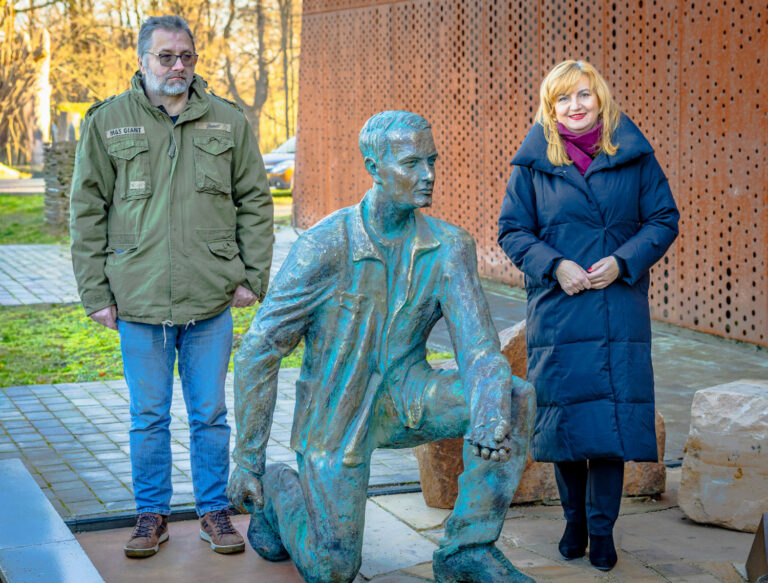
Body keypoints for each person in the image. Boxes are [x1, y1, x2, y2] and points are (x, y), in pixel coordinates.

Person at [227, 111, 536, 583]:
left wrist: (489, 410)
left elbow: (477, 349)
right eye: (411, 163)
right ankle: (278, 490)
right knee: (333, 569)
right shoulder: (324, 246)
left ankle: (466, 549)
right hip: (336, 413)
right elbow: (259, 350)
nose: (428, 174)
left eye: (431, 161)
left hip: (408, 396)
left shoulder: (449, 247)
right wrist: (248, 459)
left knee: (511, 397)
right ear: (373, 167)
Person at [69, 15, 274, 558]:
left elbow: (256, 201)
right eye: (166, 56)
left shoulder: (228, 121)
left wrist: (252, 276)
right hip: (138, 299)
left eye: (186, 56)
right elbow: (86, 210)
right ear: (142, 61)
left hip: (210, 299)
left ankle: (214, 511)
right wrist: (96, 294)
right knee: (148, 418)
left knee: (210, 416)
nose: (178, 66)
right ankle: (151, 515)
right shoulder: (108, 122)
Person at [497, 60, 679, 571]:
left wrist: (623, 261)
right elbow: (512, 230)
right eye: (563, 98)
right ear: (550, 107)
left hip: (616, 309)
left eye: (583, 94)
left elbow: (663, 218)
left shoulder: (633, 155)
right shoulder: (533, 164)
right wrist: (555, 265)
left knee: (609, 427)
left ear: (600, 98)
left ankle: (602, 532)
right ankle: (573, 522)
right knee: (567, 424)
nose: (574, 106)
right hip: (559, 312)